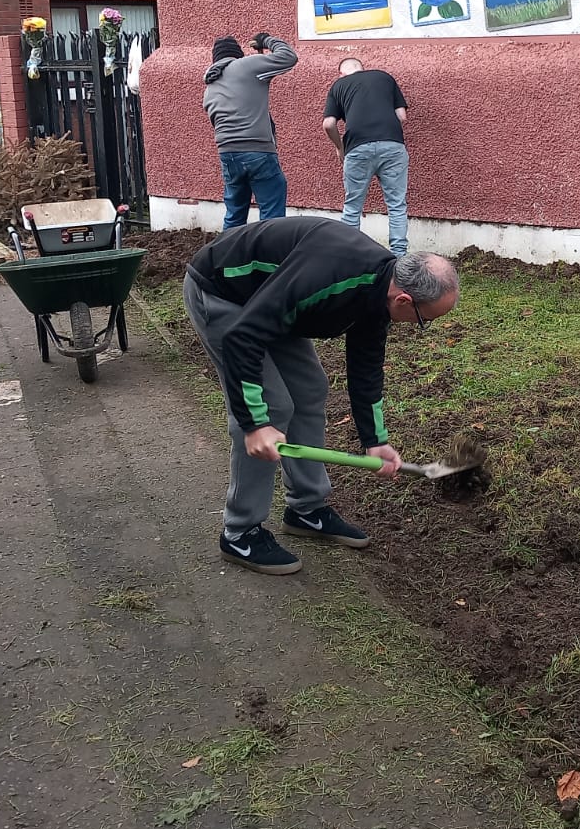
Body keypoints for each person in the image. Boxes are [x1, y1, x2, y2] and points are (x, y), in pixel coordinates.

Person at [183, 217, 460, 575]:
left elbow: (366, 367)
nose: (422, 327)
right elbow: (243, 337)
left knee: (311, 388)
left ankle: (306, 509)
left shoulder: (379, 291)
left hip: (271, 302)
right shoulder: (333, 276)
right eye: (425, 320)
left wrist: (375, 441)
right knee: (273, 406)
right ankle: (240, 532)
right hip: (222, 293)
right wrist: (255, 425)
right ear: (405, 300)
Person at [203, 32, 297, 230]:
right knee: (271, 217)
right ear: (237, 54)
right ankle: (269, 258)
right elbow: (289, 57)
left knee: (235, 213)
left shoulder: (210, 86)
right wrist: (265, 40)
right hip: (258, 152)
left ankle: (229, 258)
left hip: (228, 155)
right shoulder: (245, 66)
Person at [323, 57, 411, 256]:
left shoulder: (339, 85)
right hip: (392, 145)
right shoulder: (385, 77)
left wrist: (339, 147)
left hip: (357, 147)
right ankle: (398, 256)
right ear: (362, 68)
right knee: (396, 204)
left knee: (352, 205)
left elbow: (328, 124)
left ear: (342, 73)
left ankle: (350, 256)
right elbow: (402, 116)